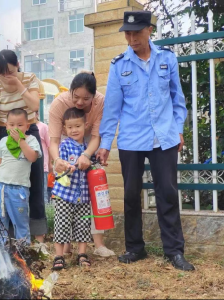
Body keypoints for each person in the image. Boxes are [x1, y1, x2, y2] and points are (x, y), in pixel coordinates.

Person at [98, 11, 194, 271]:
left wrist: (178, 129)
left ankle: (174, 251)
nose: (131, 38)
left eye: (136, 33)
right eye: (127, 33)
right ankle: (134, 248)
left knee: (168, 193)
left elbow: (178, 99)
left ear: (149, 30)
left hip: (163, 137)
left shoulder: (167, 59)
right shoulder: (119, 65)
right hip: (131, 138)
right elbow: (112, 109)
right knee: (130, 194)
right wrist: (105, 143)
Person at [0, 49, 48, 252]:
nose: (6, 76)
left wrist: (18, 84)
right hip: (5, 135)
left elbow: (34, 106)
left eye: (10, 71)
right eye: (1, 72)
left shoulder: (30, 79)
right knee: (7, 185)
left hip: (29, 130)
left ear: (18, 66)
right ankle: (10, 241)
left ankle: (38, 241)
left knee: (35, 185)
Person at [48, 71, 115, 257]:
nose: (79, 102)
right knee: (67, 189)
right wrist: (58, 160)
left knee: (93, 187)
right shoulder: (59, 104)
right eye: (75, 97)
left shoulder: (101, 102)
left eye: (86, 99)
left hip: (89, 141)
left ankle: (98, 243)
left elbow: (95, 136)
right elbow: (54, 140)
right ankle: (66, 245)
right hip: (66, 138)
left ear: (94, 96)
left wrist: (86, 155)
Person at [0, 108, 42, 244]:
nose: (15, 128)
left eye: (20, 125)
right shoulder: (3, 141)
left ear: (27, 126)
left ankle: (23, 252)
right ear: (6, 125)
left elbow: (32, 157)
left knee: (20, 222)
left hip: (19, 189)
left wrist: (21, 141)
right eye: (11, 125)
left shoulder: (31, 140)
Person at [52, 108, 97, 270]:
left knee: (83, 225)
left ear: (85, 126)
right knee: (62, 224)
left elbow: (94, 168)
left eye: (77, 126)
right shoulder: (64, 146)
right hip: (65, 194)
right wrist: (65, 167)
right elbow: (57, 167)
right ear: (64, 128)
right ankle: (59, 255)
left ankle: (82, 254)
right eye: (70, 127)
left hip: (83, 195)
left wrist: (92, 163)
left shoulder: (88, 148)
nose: (74, 130)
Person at [35, 112, 51, 203]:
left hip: (43, 166)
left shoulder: (43, 127)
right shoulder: (25, 127)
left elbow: (50, 146)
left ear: (37, 114)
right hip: (30, 166)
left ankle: (46, 214)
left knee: (43, 192)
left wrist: (50, 164)